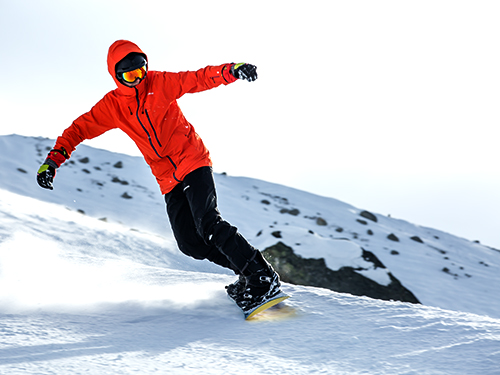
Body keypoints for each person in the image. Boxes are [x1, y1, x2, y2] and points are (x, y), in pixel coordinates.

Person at [36, 39, 281, 311]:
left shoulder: (160, 83)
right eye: (130, 74)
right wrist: (53, 160)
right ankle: (246, 271)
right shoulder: (112, 106)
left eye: (141, 70)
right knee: (191, 244)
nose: (138, 78)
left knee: (208, 224)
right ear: (116, 76)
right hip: (167, 178)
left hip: (192, 160)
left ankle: (261, 276)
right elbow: (78, 130)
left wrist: (231, 70)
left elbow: (197, 79)